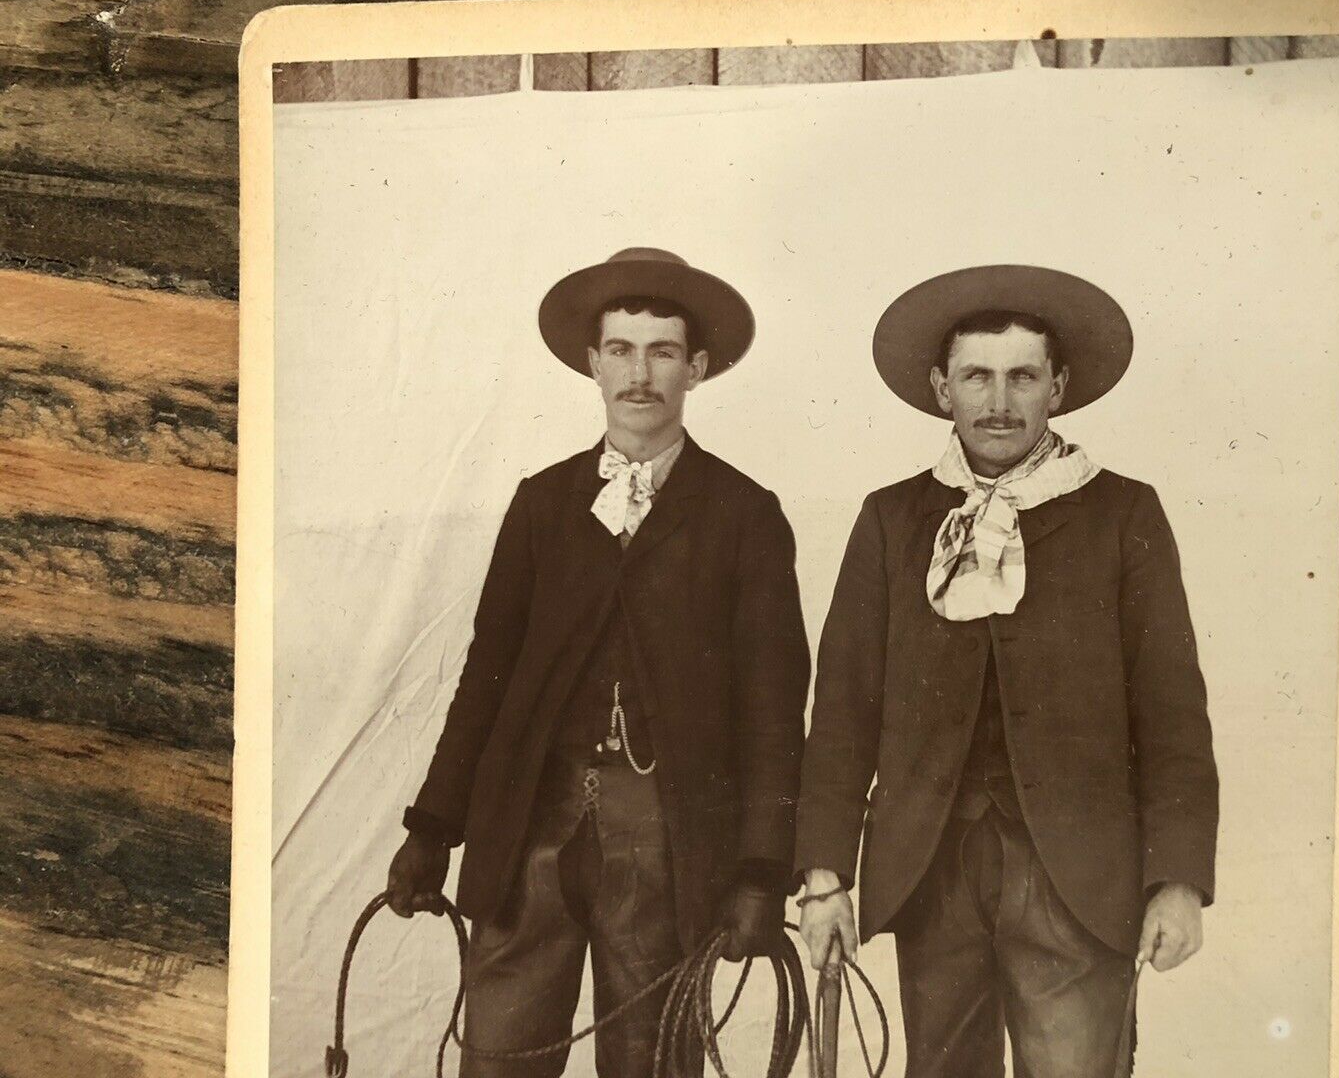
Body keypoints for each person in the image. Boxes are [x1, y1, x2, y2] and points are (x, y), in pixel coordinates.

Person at [386, 247, 811, 1078]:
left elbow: (773, 709)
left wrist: (763, 868)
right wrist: (433, 828)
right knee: (500, 1058)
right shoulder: (543, 503)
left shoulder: (743, 514)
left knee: (652, 1061)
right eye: (620, 349)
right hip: (529, 831)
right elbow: (487, 674)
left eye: (661, 352)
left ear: (697, 367)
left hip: (668, 841)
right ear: (592, 362)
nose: (639, 373)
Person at [794, 264, 1219, 1078]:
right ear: (939, 387)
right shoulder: (891, 518)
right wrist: (822, 878)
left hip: (1079, 879)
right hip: (930, 876)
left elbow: (1173, 711)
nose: (999, 401)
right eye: (976, 377)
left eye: (1023, 376)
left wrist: (1179, 881)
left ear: (1057, 386)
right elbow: (843, 710)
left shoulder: (1123, 512)